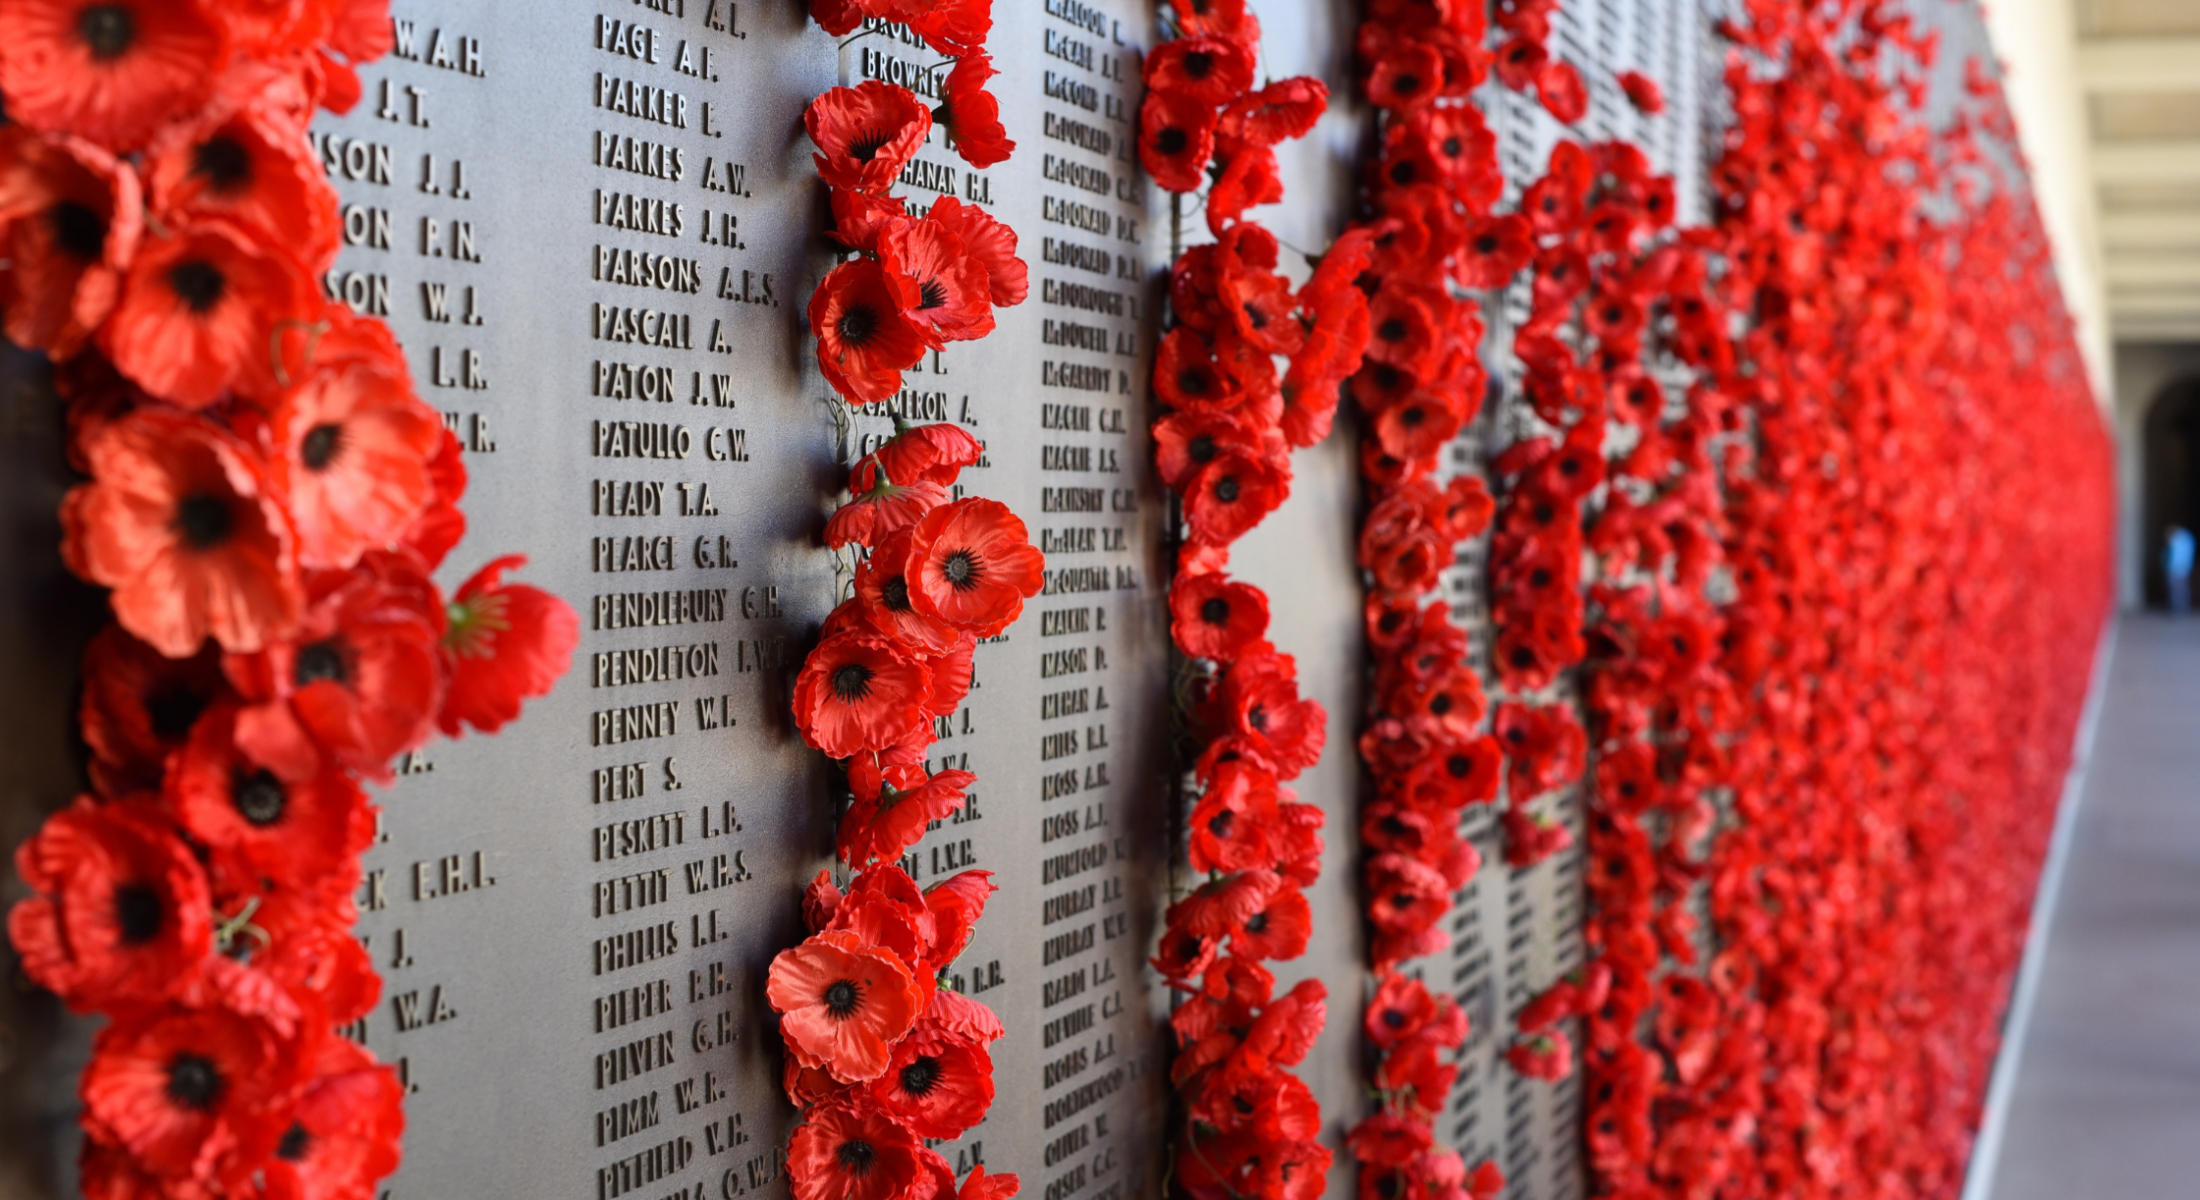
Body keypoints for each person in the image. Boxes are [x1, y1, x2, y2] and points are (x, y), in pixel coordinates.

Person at [2168, 525, 2195, 614]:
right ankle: (2182, 608)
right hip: (2184, 568)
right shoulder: (2188, 539)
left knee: (2177, 590)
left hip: (2177, 568)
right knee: (2182, 589)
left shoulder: (2177, 540)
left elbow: (2175, 556)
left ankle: (2178, 609)